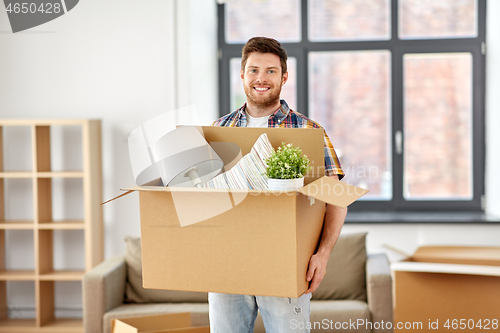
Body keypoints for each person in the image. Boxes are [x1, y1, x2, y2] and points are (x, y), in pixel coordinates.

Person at [210, 36, 347, 333]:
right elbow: (203, 198)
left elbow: (336, 197)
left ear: (285, 77)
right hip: (227, 263)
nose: (261, 78)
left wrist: (322, 256)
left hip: (287, 262)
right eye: (254, 70)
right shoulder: (218, 131)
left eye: (271, 71)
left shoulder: (308, 132)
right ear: (242, 75)